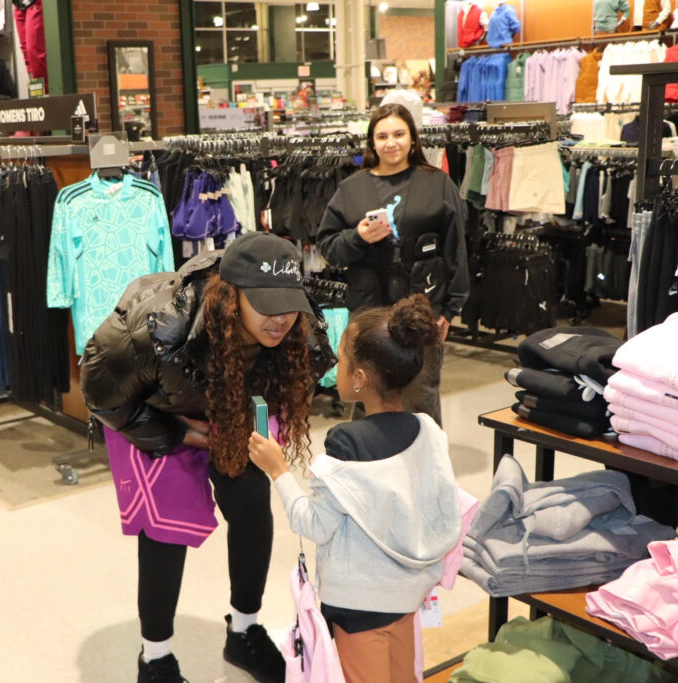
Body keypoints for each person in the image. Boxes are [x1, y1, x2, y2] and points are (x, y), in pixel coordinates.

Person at [81, 232, 335, 683]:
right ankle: (155, 660)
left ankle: (244, 632)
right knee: (167, 527)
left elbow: (296, 381)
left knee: (253, 504)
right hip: (151, 409)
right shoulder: (161, 327)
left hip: (227, 408)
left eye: (289, 302)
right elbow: (100, 393)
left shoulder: (301, 329)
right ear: (230, 297)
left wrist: (241, 425)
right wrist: (179, 432)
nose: (281, 318)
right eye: (266, 304)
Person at [247, 294, 461, 683]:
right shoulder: (428, 431)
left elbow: (314, 525)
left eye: (342, 357)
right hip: (409, 595)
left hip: (358, 607)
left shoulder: (346, 444)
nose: (337, 365)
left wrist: (278, 470)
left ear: (359, 379)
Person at [316, 103, 468, 425]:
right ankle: (370, 466)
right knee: (368, 394)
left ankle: (425, 468)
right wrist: (358, 236)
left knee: (420, 396)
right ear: (372, 143)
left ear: (413, 138)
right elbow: (329, 249)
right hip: (369, 312)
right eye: (382, 136)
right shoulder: (351, 189)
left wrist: (451, 310)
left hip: (422, 310)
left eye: (399, 134)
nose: (391, 142)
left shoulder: (437, 184)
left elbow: (456, 249)